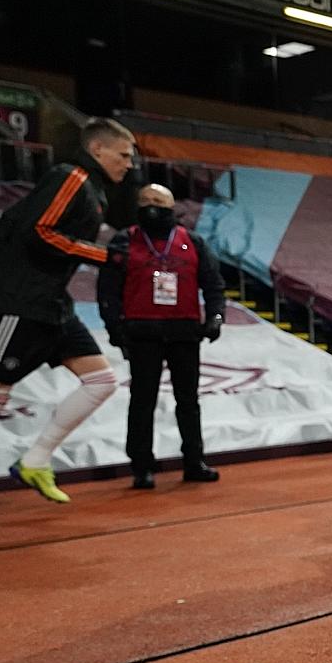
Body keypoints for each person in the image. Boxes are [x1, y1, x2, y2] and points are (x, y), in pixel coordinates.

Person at [0, 117, 133, 502]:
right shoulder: (71, 177)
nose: (129, 164)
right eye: (123, 155)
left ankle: (36, 461)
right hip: (20, 302)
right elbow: (39, 231)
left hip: (53, 305)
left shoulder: (94, 190)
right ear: (97, 149)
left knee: (102, 381)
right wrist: (104, 256)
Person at [96, 183, 225, 488]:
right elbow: (108, 289)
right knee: (143, 400)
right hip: (143, 332)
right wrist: (114, 327)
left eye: (158, 200)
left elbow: (213, 283)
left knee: (188, 400)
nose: (151, 205)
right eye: (146, 200)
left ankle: (194, 461)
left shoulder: (192, 241)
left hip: (184, 331)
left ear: (171, 207)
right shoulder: (124, 240)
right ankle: (142, 466)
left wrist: (216, 317)